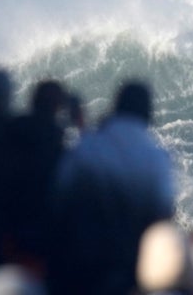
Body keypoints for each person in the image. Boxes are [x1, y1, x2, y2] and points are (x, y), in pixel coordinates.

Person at [47, 80, 175, 295]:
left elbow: (58, 198)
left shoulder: (88, 146)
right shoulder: (157, 160)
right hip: (128, 275)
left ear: (116, 107)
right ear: (148, 113)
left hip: (74, 268)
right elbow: (162, 221)